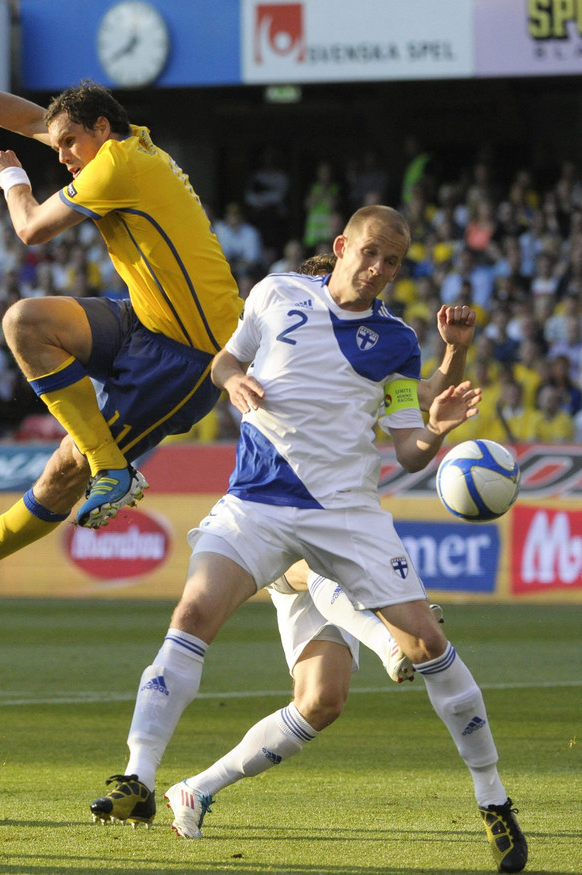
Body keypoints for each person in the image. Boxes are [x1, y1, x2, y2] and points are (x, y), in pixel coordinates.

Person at [88, 206, 527, 874]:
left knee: (419, 648)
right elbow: (225, 361)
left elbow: (408, 449)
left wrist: (434, 429)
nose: (380, 270)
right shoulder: (275, 293)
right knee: (194, 613)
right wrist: (233, 378)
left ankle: (493, 798)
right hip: (259, 502)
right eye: (372, 253)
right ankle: (136, 778)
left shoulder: (397, 341)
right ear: (344, 245)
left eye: (394, 262)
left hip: (346, 514)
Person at [0, 48, 243, 588]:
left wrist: (12, 180)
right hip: (145, 321)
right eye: (61, 145)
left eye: (71, 143)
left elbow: (31, 229)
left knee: (64, 472)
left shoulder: (118, 166)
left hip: (189, 360)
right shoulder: (129, 142)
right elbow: (31, 121)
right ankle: (110, 465)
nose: (64, 155)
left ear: (100, 127)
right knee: (25, 322)